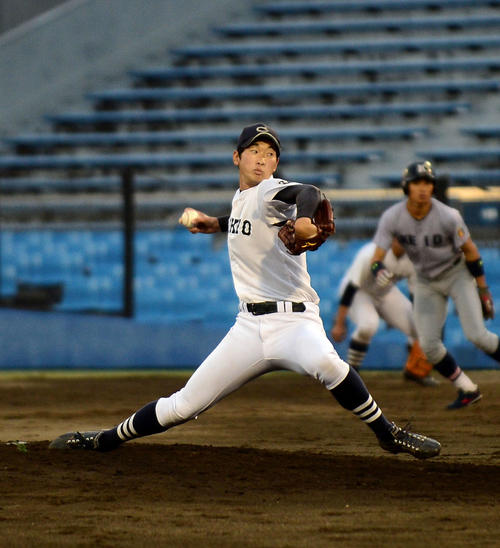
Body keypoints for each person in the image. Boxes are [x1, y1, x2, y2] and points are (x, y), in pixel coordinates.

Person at [49, 123, 440, 459]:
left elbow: (308, 192)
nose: (262, 159)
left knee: (329, 365)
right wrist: (214, 223)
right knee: (183, 405)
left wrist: (305, 217)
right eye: (254, 151)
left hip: (294, 322)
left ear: (275, 165)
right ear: (236, 157)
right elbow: (243, 216)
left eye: (270, 154)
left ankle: (388, 434)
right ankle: (104, 440)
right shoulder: (242, 199)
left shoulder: (271, 191)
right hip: (248, 328)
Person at [370, 160, 499, 409]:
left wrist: (483, 290)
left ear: (433, 186)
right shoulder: (393, 216)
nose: (423, 188)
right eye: (417, 182)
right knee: (429, 346)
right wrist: (380, 270)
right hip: (425, 280)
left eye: (427, 182)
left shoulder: (448, 215)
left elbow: (471, 252)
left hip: (456, 274)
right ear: (406, 187)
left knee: (478, 336)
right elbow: (377, 259)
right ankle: (468, 389)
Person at [330, 239, 438, 386]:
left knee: (420, 326)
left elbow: (415, 297)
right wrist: (339, 323)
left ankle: (414, 371)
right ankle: (352, 372)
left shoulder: (413, 259)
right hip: (360, 292)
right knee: (368, 325)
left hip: (385, 293)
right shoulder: (370, 253)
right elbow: (351, 288)